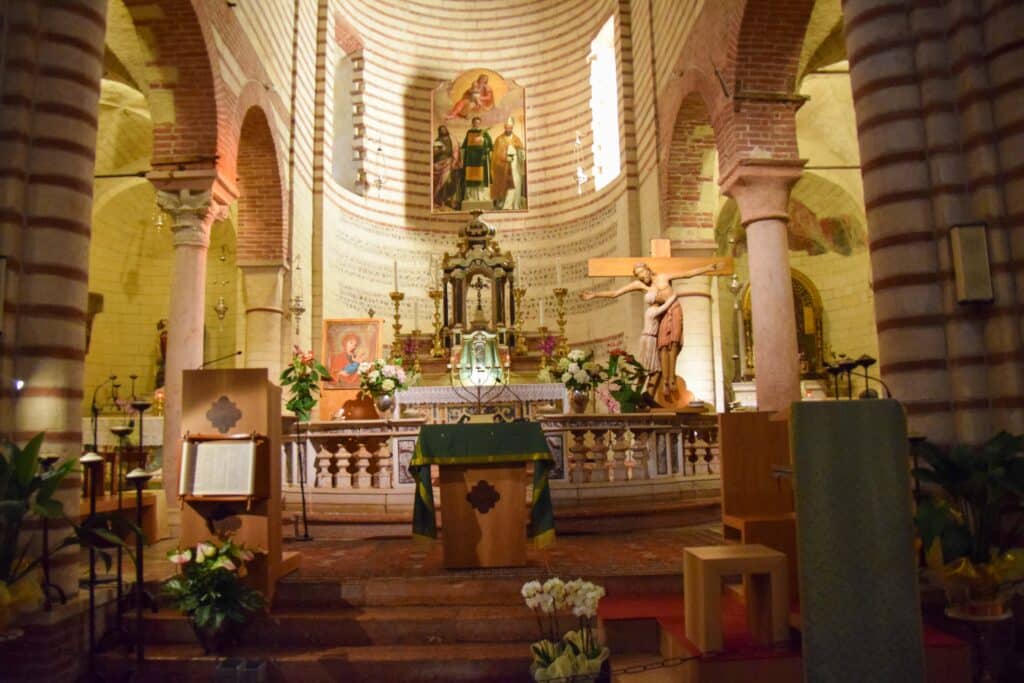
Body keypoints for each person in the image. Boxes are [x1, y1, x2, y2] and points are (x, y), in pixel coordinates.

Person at [582, 261, 722, 402]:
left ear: (648, 269)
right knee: (662, 347)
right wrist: (595, 294)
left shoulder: (663, 277)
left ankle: (672, 378)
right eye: (638, 276)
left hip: (674, 309)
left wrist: (706, 268)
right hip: (661, 315)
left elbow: (686, 274)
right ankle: (666, 382)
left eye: (642, 273)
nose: (642, 277)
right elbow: (616, 293)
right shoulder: (640, 285)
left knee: (673, 343)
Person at [490, 118, 525, 209]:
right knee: (507, 185)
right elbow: (496, 155)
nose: (508, 130)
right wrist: (505, 158)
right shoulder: (499, 139)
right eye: (506, 128)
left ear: (512, 128)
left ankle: (515, 205)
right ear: (504, 128)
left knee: (516, 184)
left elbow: (521, 152)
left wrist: (521, 154)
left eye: (510, 128)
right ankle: (506, 205)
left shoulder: (517, 139)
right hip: (503, 167)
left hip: (515, 165)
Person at [460, 116, 493, 204]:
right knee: (471, 177)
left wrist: (483, 140)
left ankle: (481, 197)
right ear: (472, 123)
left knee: (481, 176)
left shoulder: (484, 132)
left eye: (478, 122)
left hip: (481, 160)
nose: (476, 124)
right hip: (470, 159)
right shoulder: (469, 132)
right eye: (475, 122)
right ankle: (471, 196)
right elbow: (465, 146)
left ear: (480, 123)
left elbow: (490, 145)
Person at [432, 125, 461, 209]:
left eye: (444, 129)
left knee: (450, 181)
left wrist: (456, 161)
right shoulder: (438, 140)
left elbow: (456, 150)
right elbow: (434, 153)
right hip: (439, 163)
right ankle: (440, 201)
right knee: (441, 183)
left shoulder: (452, 139)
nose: (443, 131)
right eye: (441, 130)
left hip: (450, 163)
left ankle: (449, 200)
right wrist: (440, 150)